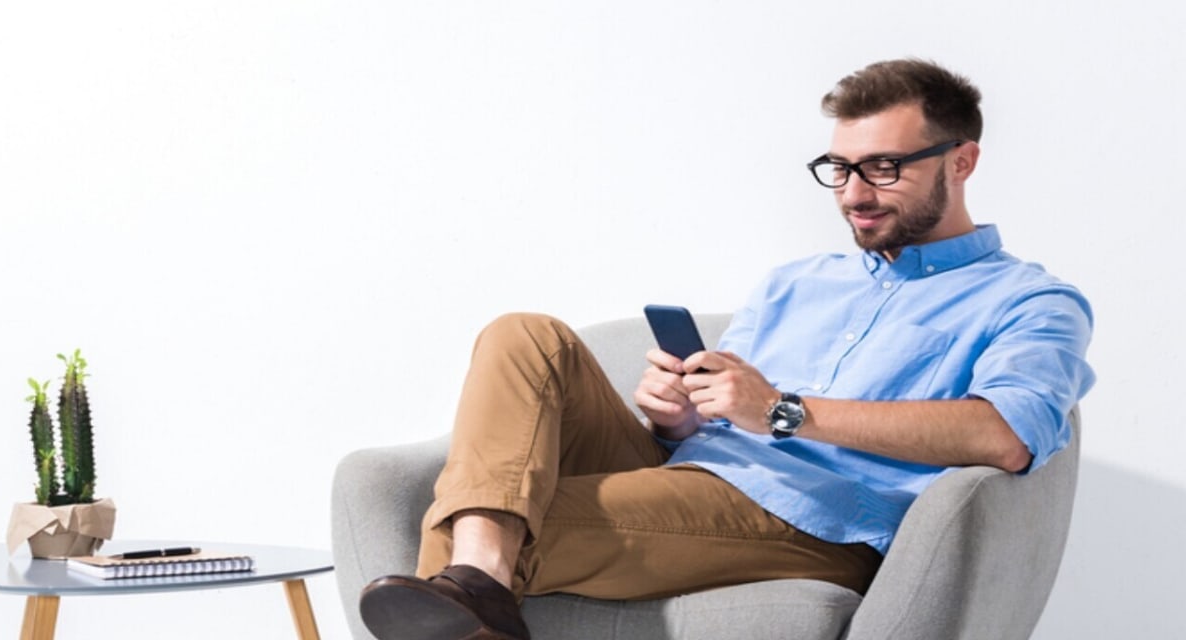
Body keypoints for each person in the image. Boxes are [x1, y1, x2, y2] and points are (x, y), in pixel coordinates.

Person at [356, 58, 1096, 640]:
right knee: (525, 335)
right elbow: (713, 422)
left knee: (472, 515)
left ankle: (475, 578)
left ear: (961, 162)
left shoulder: (1031, 302)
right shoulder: (796, 283)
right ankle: (479, 584)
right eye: (839, 168)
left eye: (883, 167)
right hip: (693, 477)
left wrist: (782, 411)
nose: (853, 193)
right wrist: (677, 415)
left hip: (817, 520)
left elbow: (1005, 435)